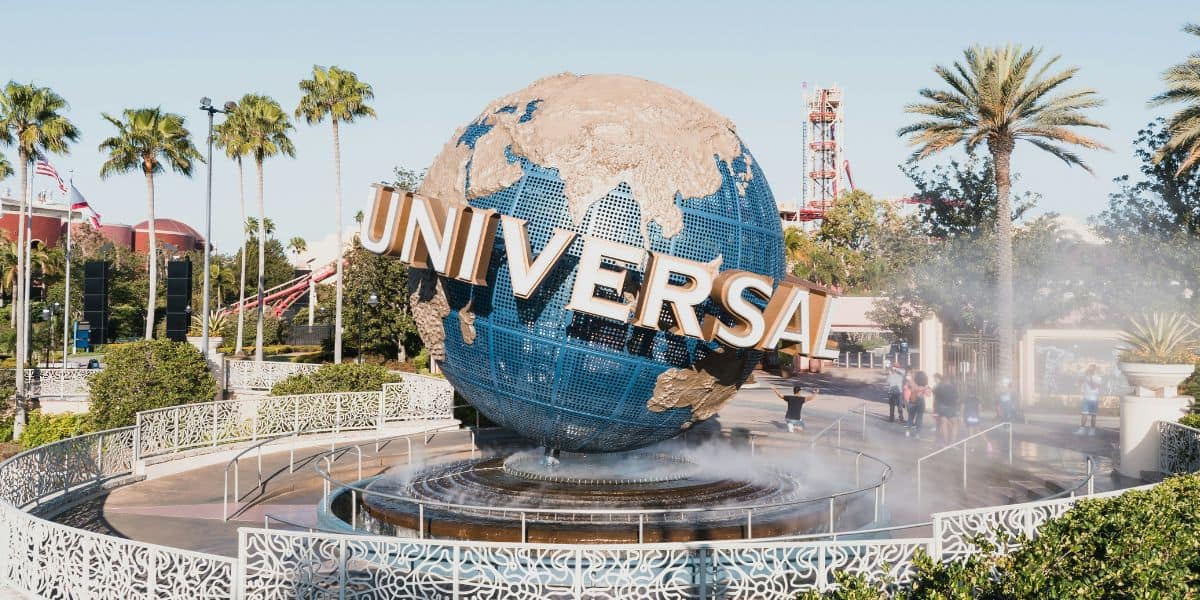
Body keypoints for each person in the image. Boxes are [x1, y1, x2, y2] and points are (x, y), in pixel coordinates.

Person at [933, 374, 960, 446]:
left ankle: (946, 442)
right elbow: (957, 400)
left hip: (941, 409)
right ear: (949, 381)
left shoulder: (939, 388)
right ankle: (952, 442)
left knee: (944, 424)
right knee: (955, 423)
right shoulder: (953, 388)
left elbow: (936, 399)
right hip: (951, 408)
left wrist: (935, 411)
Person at [1076, 364, 1101, 436]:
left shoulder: (1098, 377)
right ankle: (1082, 430)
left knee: (1093, 416)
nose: (1090, 370)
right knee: (1084, 414)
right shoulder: (1086, 376)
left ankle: (1092, 431)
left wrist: (1090, 378)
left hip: (1094, 399)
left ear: (1095, 370)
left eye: (1092, 369)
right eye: (1090, 369)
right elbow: (1079, 383)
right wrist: (1081, 379)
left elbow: (1094, 386)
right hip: (1086, 398)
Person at [907, 370, 930, 436]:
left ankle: (908, 430)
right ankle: (918, 433)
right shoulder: (925, 385)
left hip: (913, 400)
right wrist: (924, 389)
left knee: (911, 416)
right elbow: (928, 394)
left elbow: (909, 386)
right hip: (921, 400)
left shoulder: (913, 383)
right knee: (919, 417)